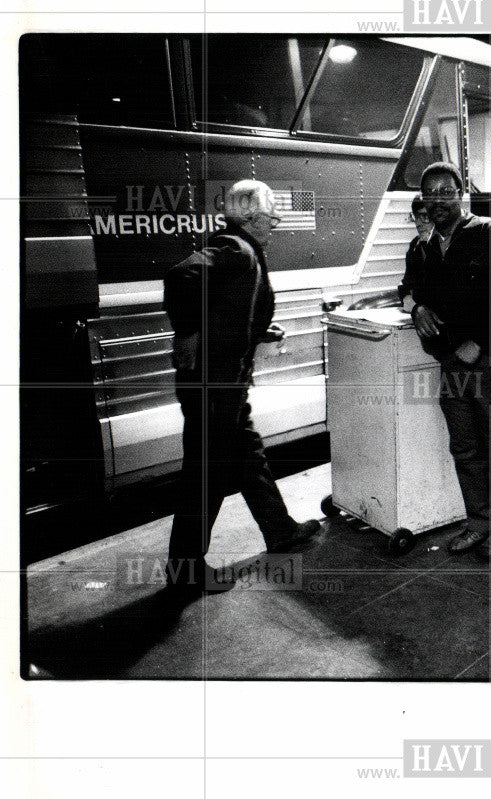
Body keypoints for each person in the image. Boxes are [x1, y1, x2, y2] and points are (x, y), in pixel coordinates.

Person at [163, 179, 321, 596]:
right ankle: (186, 569)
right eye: (273, 215)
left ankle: (280, 529)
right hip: (213, 387)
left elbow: (223, 306)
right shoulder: (236, 248)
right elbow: (182, 277)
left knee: (249, 455)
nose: (276, 222)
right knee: (206, 474)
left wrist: (256, 331)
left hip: (226, 385)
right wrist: (187, 333)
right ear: (252, 217)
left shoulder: (241, 250)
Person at [402, 162, 491, 560]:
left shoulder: (490, 232)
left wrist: (481, 340)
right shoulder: (425, 248)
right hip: (453, 364)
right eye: (430, 193)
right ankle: (478, 522)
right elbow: (413, 291)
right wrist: (417, 309)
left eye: (446, 190)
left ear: (460, 194)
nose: (438, 199)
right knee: (466, 447)